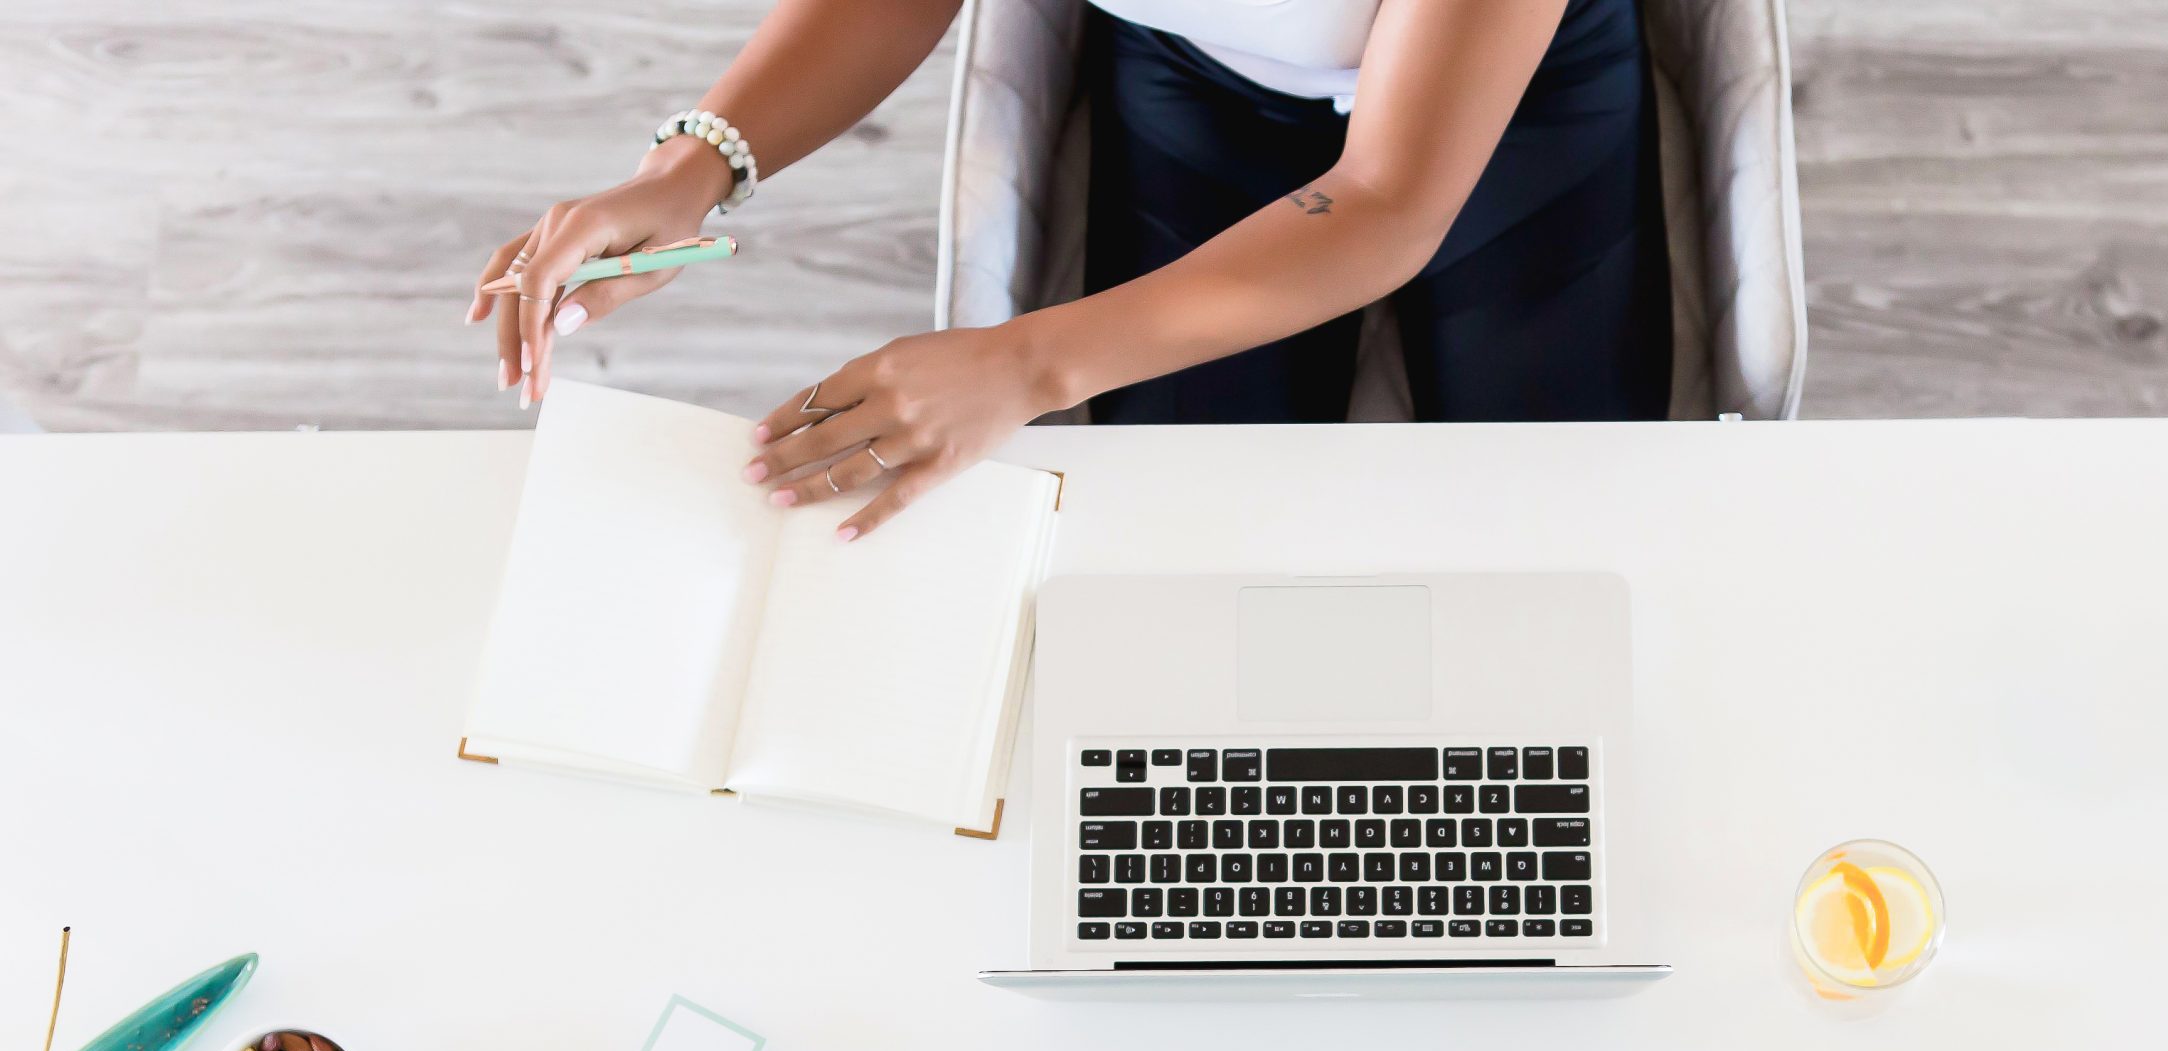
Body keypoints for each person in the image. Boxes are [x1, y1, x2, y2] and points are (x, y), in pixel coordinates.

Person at [469, 0, 1668, 537]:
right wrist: (689, 171)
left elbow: (1386, 198)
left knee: (1557, 511)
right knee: (1186, 538)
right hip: (1209, 74)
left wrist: (1025, 361)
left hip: (1514, 96)